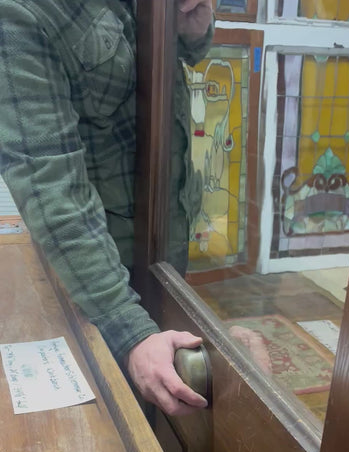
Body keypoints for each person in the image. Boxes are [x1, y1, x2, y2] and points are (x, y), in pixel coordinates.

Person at [0, 0, 213, 416]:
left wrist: (193, 29)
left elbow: (176, 58)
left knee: (167, 400)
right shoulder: (20, 12)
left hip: (164, 249)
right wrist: (128, 330)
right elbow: (49, 184)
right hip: (102, 277)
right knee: (118, 424)